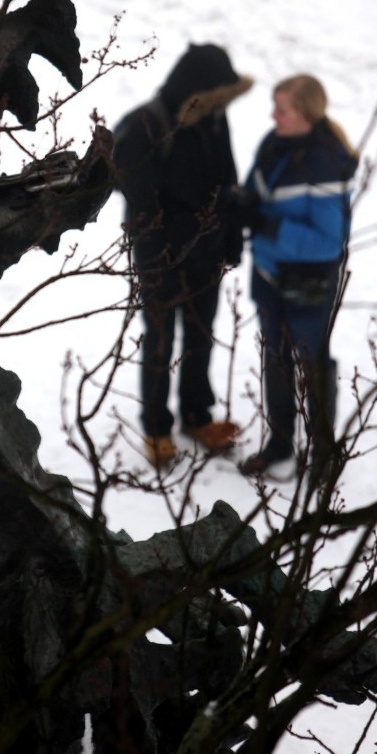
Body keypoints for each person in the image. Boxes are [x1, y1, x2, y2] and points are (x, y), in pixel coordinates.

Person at [112, 43, 253, 468]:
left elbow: (227, 180)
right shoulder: (146, 125)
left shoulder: (213, 119)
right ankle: (157, 428)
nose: (222, 104)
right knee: (159, 340)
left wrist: (231, 239)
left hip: (206, 255)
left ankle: (196, 416)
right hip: (162, 257)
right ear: (197, 89)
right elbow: (133, 191)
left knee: (200, 335)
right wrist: (172, 237)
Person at [229, 74, 359, 477]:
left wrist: (265, 225)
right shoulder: (275, 142)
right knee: (276, 357)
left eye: (281, 109)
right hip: (269, 275)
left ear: (304, 114)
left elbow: (328, 241)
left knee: (311, 361)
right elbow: (257, 190)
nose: (273, 115)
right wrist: (238, 205)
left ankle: (324, 453)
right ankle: (280, 443)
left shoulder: (324, 161)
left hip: (307, 286)